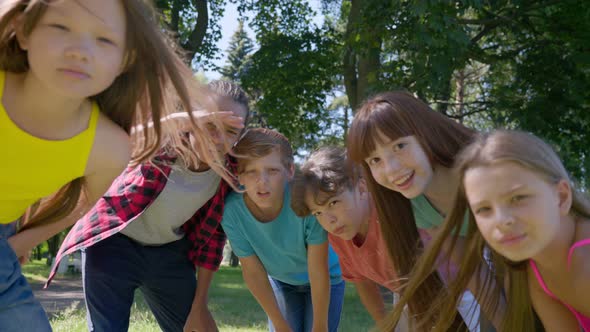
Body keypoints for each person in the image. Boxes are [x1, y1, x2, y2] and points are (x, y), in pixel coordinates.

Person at [0, 0, 223, 330]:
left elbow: (83, 203)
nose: (81, 50)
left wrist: (22, 241)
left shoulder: (108, 147)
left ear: (125, 60)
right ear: (22, 29)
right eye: (60, 27)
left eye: (105, 40)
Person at [47, 80, 248, 332]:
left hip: (169, 253)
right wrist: (180, 119)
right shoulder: (162, 144)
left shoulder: (229, 175)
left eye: (231, 131)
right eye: (210, 125)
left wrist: (200, 305)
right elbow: (121, 138)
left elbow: (212, 241)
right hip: (112, 243)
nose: (218, 139)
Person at [398, 130, 590, 331]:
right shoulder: (538, 268)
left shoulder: (585, 260)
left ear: (561, 196)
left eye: (518, 198)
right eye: (484, 209)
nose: (501, 220)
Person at [346, 91, 492, 331]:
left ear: (425, 132)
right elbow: (478, 277)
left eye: (400, 146)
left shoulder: (485, 172)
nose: (391, 170)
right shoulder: (417, 206)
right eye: (375, 160)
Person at [221, 128, 344, 332]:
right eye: (251, 171)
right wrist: (279, 324)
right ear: (239, 176)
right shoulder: (232, 212)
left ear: (290, 171)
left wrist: (320, 326)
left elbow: (318, 269)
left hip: (325, 278)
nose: (263, 181)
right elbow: (252, 272)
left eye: (272, 170)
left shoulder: (306, 199)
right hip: (281, 281)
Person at [290, 146, 409, 330]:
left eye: (334, 202)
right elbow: (361, 280)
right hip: (406, 292)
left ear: (361, 188)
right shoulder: (339, 235)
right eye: (318, 213)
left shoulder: (389, 215)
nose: (329, 220)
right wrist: (385, 324)